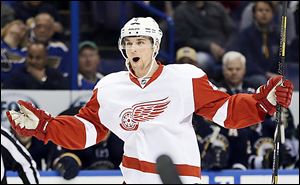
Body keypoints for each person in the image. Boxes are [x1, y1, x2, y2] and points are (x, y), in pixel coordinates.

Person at [6, 17, 294, 184]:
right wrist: (45, 126)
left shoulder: (185, 78)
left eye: (140, 41)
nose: (133, 47)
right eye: (128, 43)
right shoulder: (109, 87)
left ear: (155, 46)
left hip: (179, 179)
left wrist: (263, 102)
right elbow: (85, 131)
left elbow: (227, 112)